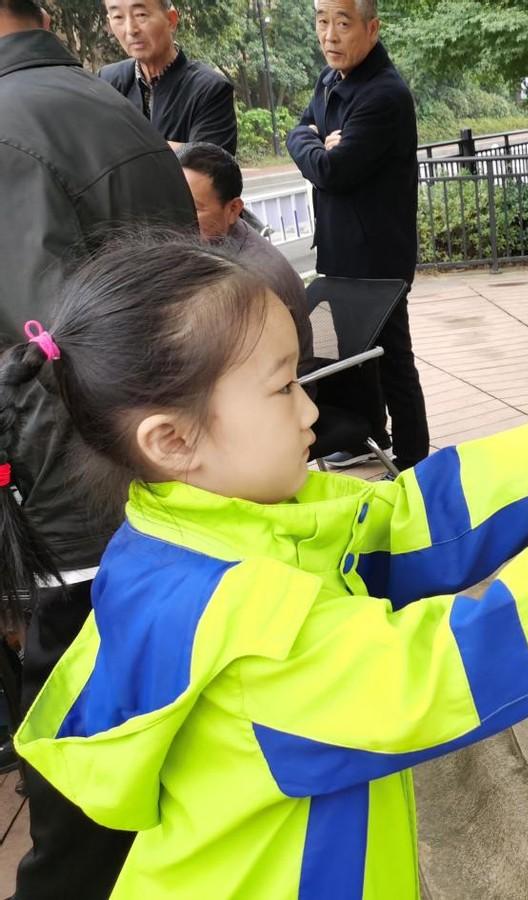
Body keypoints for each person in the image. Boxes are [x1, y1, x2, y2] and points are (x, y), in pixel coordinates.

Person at [6, 234, 528, 899]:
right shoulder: (234, 618)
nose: (312, 409)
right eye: (283, 389)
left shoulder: (211, 526)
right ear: (172, 439)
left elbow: (392, 525)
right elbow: (425, 677)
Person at [0, 5, 197, 898]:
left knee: (77, 792)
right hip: (148, 475)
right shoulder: (106, 103)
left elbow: (44, 352)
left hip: (69, 506)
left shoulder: (8, 129)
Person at [287, 0, 425, 471]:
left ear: (371, 28)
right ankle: (370, 435)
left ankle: (414, 463)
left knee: (391, 359)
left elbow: (331, 170)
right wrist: (310, 139)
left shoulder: (383, 94)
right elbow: (299, 133)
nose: (329, 35)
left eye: (342, 23)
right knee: (353, 355)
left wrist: (316, 147)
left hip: (378, 257)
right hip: (340, 248)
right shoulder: (332, 81)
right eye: (322, 21)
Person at [177, 142, 313, 371]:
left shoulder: (254, 279)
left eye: (196, 208)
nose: (181, 214)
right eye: (178, 201)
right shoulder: (215, 243)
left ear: (233, 209)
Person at [99, 0, 237, 154]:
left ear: (171, 20)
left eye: (141, 15)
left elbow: (209, 166)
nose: (131, 29)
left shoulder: (210, 89)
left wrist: (125, 148)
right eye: (118, 17)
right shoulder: (107, 81)